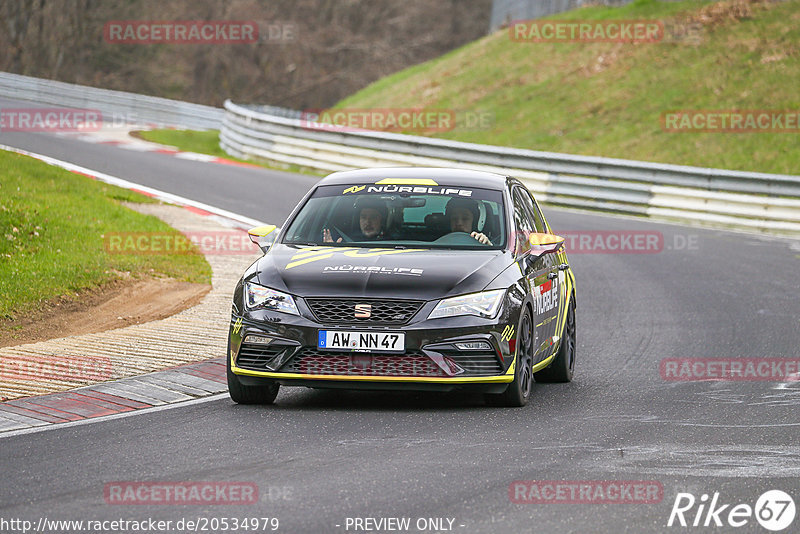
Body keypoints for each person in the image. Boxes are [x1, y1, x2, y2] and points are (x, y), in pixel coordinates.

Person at [323, 197, 387, 242]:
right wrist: (331, 248)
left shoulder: (393, 240)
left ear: (381, 220)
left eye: (373, 217)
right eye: (363, 217)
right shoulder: (344, 239)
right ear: (358, 220)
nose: (368, 222)